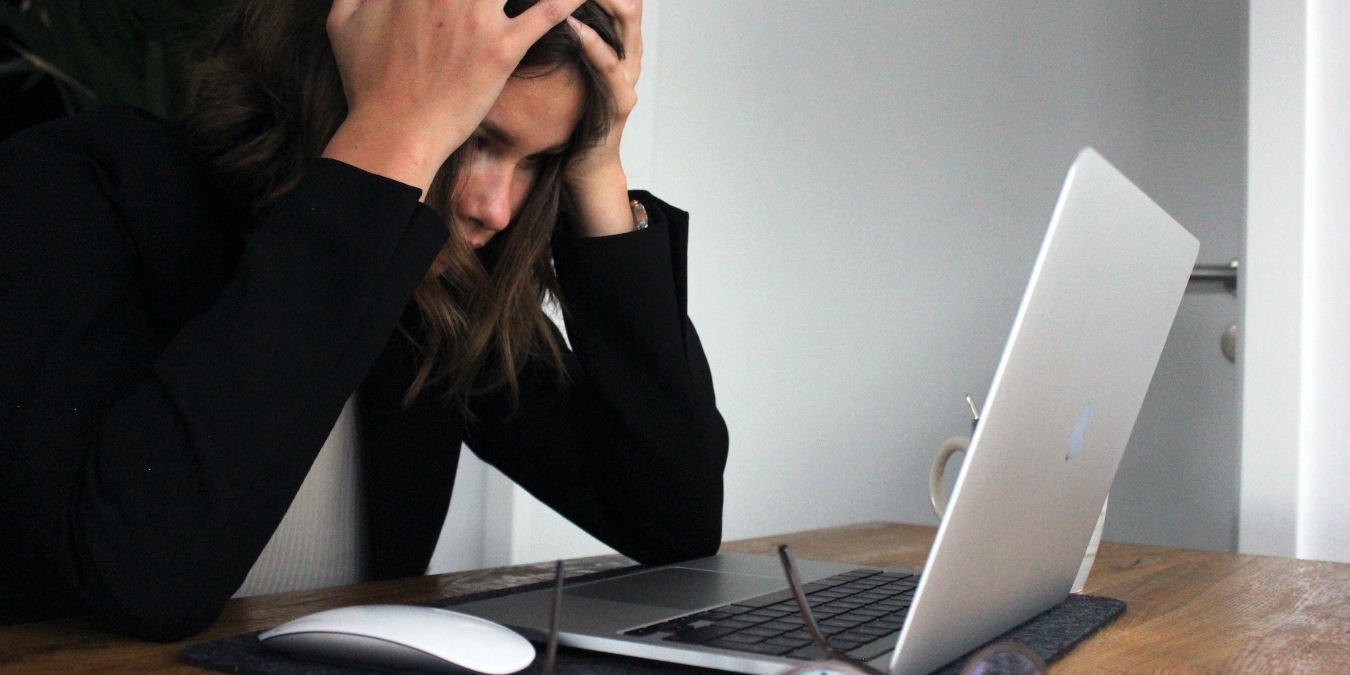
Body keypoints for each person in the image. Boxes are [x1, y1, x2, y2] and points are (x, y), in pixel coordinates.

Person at [0, 0, 727, 640]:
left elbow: (672, 520)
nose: (494, 207)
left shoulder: (433, 289)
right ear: (346, 68)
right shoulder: (74, 187)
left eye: (537, 160)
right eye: (476, 136)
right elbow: (147, 580)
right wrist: (393, 136)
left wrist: (597, 167)